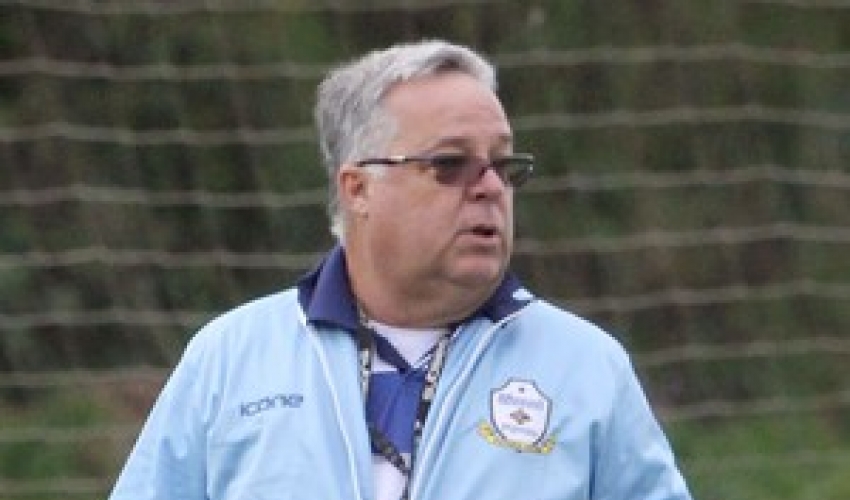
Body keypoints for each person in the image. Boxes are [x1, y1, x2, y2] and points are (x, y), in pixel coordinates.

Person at [108, 39, 693, 500]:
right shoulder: (231, 359)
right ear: (358, 188)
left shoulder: (586, 368)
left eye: (503, 164)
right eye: (450, 164)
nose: (491, 186)